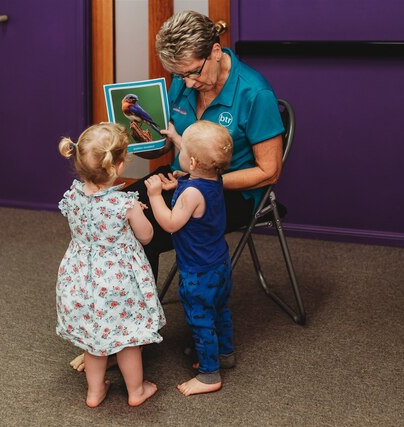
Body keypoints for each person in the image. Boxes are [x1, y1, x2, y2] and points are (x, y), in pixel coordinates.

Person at [70, 9, 285, 372]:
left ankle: (130, 335)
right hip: (181, 178)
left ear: (215, 52)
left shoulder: (254, 92)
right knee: (120, 215)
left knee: (145, 233)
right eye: (179, 75)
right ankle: (117, 334)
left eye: (192, 73)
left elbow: (269, 171)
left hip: (229, 191)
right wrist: (133, 141)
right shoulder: (183, 80)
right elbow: (168, 145)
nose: (186, 83)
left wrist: (203, 182)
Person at [56, 122, 166, 407]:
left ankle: (94, 392)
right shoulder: (124, 204)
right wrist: (136, 214)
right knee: (128, 339)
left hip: (81, 278)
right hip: (118, 281)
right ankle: (136, 391)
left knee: (94, 340)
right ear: (118, 166)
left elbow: (92, 221)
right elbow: (146, 236)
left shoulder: (72, 196)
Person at [145, 120, 234, 396]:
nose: (180, 152)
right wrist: (179, 181)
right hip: (219, 263)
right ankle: (225, 354)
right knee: (220, 310)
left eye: (183, 150)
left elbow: (171, 223)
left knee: (201, 319)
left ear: (193, 162)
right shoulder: (213, 177)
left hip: (198, 271)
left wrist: (155, 196)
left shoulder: (192, 193)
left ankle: (209, 375)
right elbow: (195, 175)